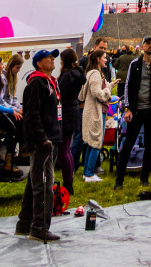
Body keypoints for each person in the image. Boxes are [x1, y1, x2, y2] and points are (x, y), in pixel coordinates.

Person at [15, 49, 62, 243]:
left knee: (34, 183)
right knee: (43, 185)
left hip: (50, 138)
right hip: (42, 143)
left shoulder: (49, 82)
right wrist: (43, 139)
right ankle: (39, 227)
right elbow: (31, 115)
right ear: (39, 63)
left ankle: (24, 224)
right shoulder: (36, 83)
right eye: (49, 58)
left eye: (53, 57)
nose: (53, 60)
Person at [114, 35, 151, 189]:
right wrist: (128, 107)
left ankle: (144, 178)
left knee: (149, 145)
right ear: (142, 46)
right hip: (136, 111)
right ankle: (119, 180)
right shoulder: (135, 64)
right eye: (148, 43)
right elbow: (128, 85)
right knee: (128, 143)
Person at [82, 47, 114, 182]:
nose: (106, 60)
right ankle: (89, 173)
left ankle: (86, 171)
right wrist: (107, 90)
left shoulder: (90, 73)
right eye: (104, 57)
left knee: (91, 143)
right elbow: (98, 94)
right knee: (96, 142)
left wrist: (110, 85)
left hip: (93, 111)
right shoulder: (95, 74)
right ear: (98, 59)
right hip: (96, 111)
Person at [57, 47, 84, 194]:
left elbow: (60, 94)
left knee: (64, 150)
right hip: (72, 111)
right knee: (67, 148)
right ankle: (69, 179)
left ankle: (68, 182)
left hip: (66, 113)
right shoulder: (76, 74)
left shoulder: (68, 76)